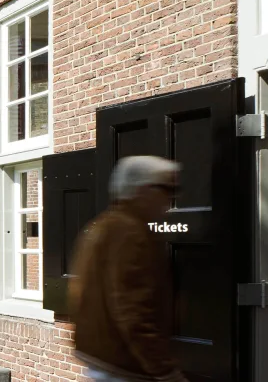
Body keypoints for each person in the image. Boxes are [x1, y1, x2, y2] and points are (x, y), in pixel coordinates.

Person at [70, 156, 186, 382]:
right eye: (166, 189)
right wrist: (163, 369)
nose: (169, 199)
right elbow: (133, 309)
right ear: (143, 190)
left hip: (105, 360)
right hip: (125, 366)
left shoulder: (104, 225)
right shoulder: (130, 233)